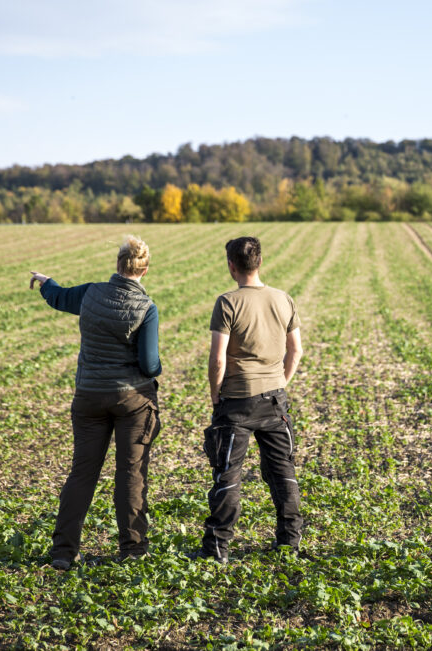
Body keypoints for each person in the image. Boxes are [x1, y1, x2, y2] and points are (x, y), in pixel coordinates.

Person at [29, 235, 161, 570]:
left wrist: (46, 282)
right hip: (131, 400)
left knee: (82, 473)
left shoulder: (91, 293)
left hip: (88, 396)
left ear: (118, 264)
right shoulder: (146, 308)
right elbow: (149, 364)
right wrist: (157, 368)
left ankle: (63, 551)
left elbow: (59, 297)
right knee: (130, 474)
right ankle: (132, 549)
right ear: (145, 270)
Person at [189, 236, 304, 564]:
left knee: (227, 475)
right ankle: (289, 544)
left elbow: (218, 359)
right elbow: (296, 350)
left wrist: (216, 395)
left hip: (236, 402)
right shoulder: (284, 299)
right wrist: (281, 382)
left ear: (231, 266)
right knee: (283, 472)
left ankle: (217, 550)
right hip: (274, 401)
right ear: (260, 262)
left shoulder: (227, 302)